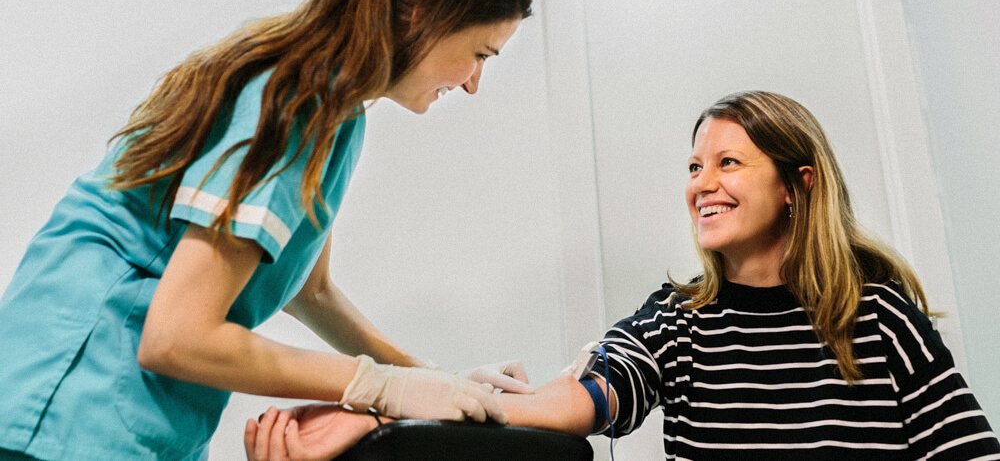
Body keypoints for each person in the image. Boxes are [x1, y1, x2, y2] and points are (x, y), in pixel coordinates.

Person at [0, 0, 535, 460]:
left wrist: (439, 384)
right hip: (66, 407)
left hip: (124, 420)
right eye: (480, 53)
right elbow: (176, 337)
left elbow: (312, 290)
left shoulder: (339, 113)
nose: (474, 82)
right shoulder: (293, 96)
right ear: (427, 9)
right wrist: (383, 388)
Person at [246, 91, 1000, 460]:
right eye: (695, 166)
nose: (702, 182)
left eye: (729, 163)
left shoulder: (880, 317)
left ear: (798, 185)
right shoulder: (679, 318)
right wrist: (386, 417)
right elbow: (575, 404)